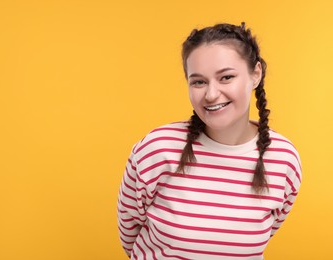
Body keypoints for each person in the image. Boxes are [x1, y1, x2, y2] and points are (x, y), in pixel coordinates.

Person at [117, 22, 301, 260]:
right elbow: (129, 232)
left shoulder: (283, 159)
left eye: (226, 77)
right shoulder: (157, 148)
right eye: (198, 82)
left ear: (255, 74)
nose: (211, 94)